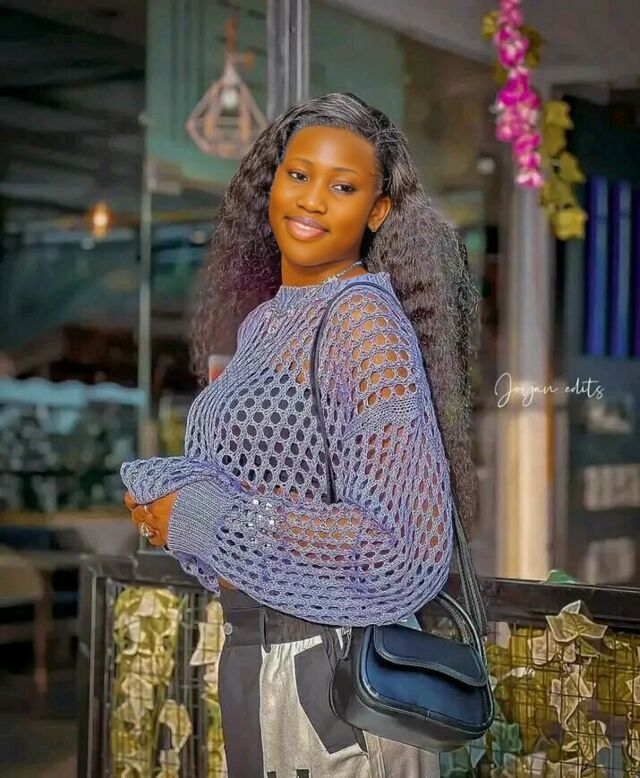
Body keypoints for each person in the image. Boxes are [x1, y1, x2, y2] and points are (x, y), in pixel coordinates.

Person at [122, 91, 478, 778]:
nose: (312, 199)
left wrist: (203, 518)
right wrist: (173, 508)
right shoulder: (268, 322)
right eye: (299, 174)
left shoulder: (362, 324)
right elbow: (252, 496)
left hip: (331, 681)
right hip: (260, 657)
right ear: (273, 182)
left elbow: (401, 545)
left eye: (343, 186)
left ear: (377, 211)